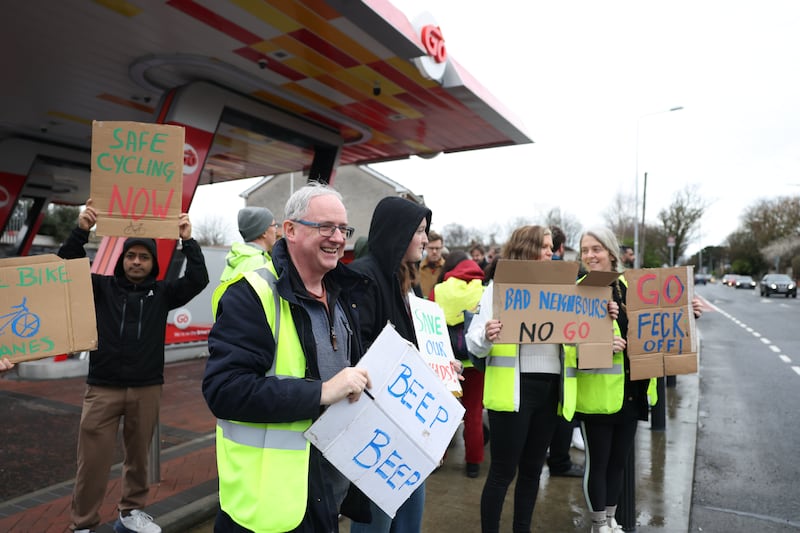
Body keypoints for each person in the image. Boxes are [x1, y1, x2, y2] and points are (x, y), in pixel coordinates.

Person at [203, 182, 372, 532]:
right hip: (267, 504)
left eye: (343, 229)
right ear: (290, 230)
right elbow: (224, 390)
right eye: (326, 227)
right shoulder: (251, 294)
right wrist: (321, 392)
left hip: (327, 491)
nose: (338, 238)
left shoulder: (342, 294)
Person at [59, 199, 209, 533]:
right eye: (131, 255)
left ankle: (131, 514)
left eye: (143, 256)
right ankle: (83, 524)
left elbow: (198, 278)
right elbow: (64, 268)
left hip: (146, 388)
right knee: (92, 463)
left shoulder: (164, 292)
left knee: (138, 459)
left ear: (153, 262)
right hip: (102, 389)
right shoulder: (101, 287)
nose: (136, 261)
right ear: (121, 259)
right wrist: (81, 230)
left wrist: (188, 240)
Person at [566, 227, 702, 533]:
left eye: (596, 249)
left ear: (612, 252)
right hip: (597, 396)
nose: (590, 255)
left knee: (618, 463)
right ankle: (598, 524)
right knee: (597, 464)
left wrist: (685, 316)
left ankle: (612, 520)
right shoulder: (576, 291)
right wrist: (599, 346)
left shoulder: (636, 287)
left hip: (634, 390)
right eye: (585, 250)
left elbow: (662, 327)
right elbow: (563, 345)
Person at [465, 225, 563, 533]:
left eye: (552, 247)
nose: (552, 251)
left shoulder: (560, 288)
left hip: (550, 390)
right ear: (528, 248)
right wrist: (487, 334)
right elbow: (473, 342)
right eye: (546, 246)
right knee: (502, 472)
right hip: (514, 392)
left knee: (533, 470)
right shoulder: (498, 288)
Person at [348, 195, 432, 533]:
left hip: (407, 424)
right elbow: (358, 349)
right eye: (421, 231)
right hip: (378, 429)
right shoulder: (363, 277)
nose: (426, 239)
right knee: (377, 523)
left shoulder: (408, 282)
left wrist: (438, 367)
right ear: (399, 232)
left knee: (410, 519)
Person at [430, 250, 485, 478]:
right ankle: (473, 463)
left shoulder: (439, 290)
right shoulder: (484, 291)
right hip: (474, 360)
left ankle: (435, 459)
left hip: (446, 360)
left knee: (442, 411)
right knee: (473, 413)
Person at [546, 226, 585, 477]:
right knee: (564, 410)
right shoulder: (572, 273)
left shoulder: (530, 275)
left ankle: (555, 457)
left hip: (544, 354)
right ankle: (560, 461)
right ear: (563, 248)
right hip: (566, 351)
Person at [219, 206, 280, 281]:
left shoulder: (237, 258)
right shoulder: (259, 263)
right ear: (264, 232)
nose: (276, 231)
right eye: (274, 226)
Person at [418, 230, 445, 299]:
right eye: (431, 248)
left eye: (437, 248)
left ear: (442, 248)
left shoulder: (448, 269)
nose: (434, 251)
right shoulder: (417, 270)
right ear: (425, 248)